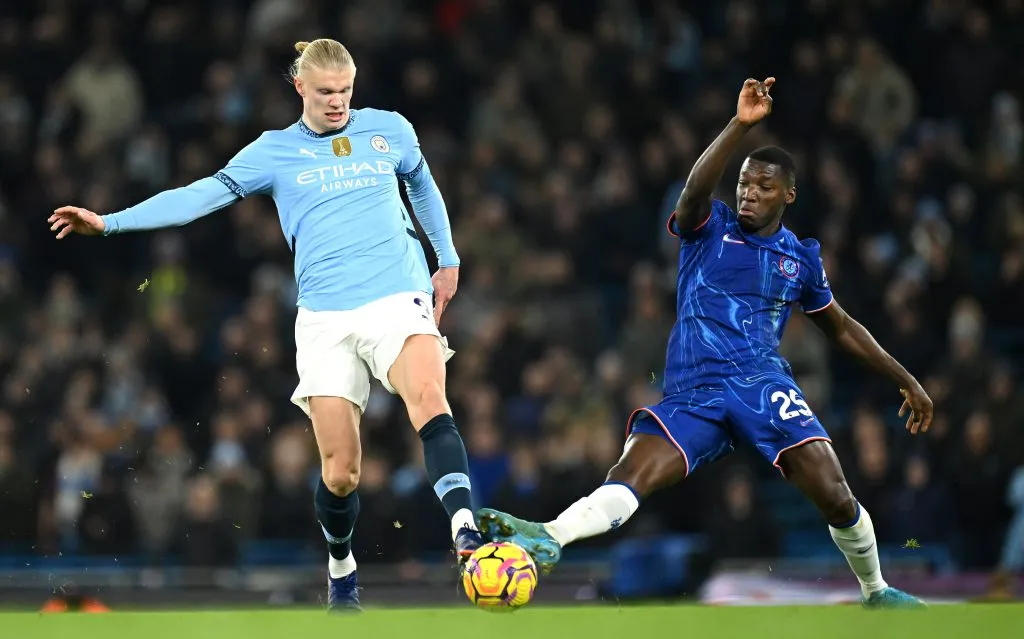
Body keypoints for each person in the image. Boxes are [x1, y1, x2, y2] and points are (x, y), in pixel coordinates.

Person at [48, 38, 483, 612]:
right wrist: (110, 223)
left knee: (429, 397)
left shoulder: (390, 130)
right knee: (342, 472)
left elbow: (422, 186)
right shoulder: (272, 152)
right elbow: (199, 196)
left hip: (396, 295)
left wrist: (446, 260)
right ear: (299, 87)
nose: (337, 103)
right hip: (325, 317)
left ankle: (466, 534)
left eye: (346, 91)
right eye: (326, 92)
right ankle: (341, 569)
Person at [477, 77, 932, 609]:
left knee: (834, 493)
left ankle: (877, 591)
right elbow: (693, 192)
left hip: (762, 384)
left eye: (762, 185)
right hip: (694, 391)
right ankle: (549, 536)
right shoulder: (708, 226)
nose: (748, 193)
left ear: (788, 194)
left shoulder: (800, 258)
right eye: (743, 182)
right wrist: (738, 126)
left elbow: (842, 327)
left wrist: (906, 379)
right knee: (630, 474)